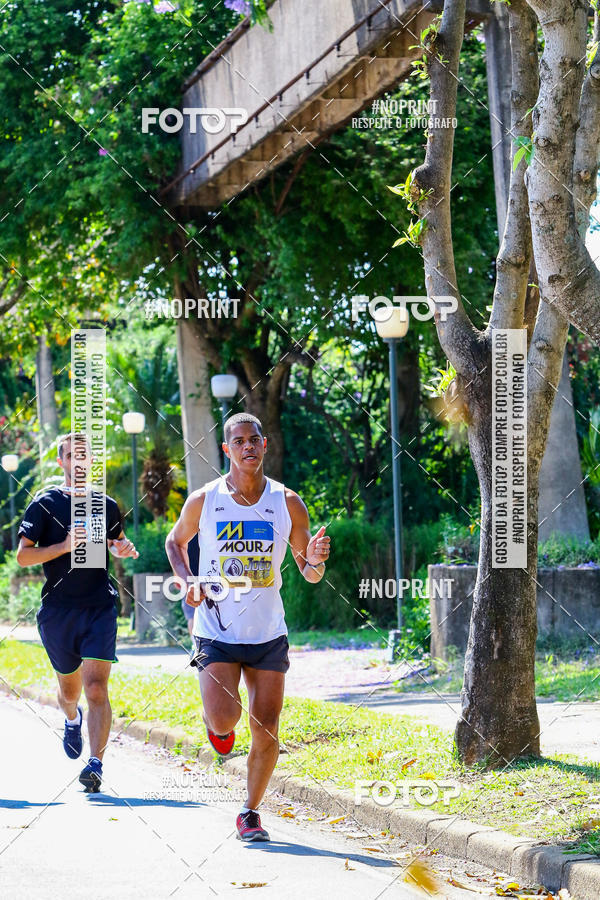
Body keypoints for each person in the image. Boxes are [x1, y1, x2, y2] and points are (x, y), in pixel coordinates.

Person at [165, 412, 330, 842]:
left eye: (254, 439)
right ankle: (218, 728)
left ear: (265, 444)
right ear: (227, 449)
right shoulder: (204, 500)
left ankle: (249, 812)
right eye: (238, 441)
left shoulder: (287, 502)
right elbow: (174, 541)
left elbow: (308, 573)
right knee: (225, 720)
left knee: (267, 726)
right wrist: (188, 581)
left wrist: (314, 558)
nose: (248, 447)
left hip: (267, 634)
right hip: (216, 630)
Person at [16, 433, 138, 793]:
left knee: (96, 686)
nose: (80, 463)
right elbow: (23, 555)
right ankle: (71, 717)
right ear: (62, 462)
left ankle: (96, 765)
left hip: (99, 605)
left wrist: (122, 548)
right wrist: (64, 546)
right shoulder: (45, 503)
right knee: (69, 691)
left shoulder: (106, 504)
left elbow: (116, 544)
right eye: (73, 456)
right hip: (58, 611)